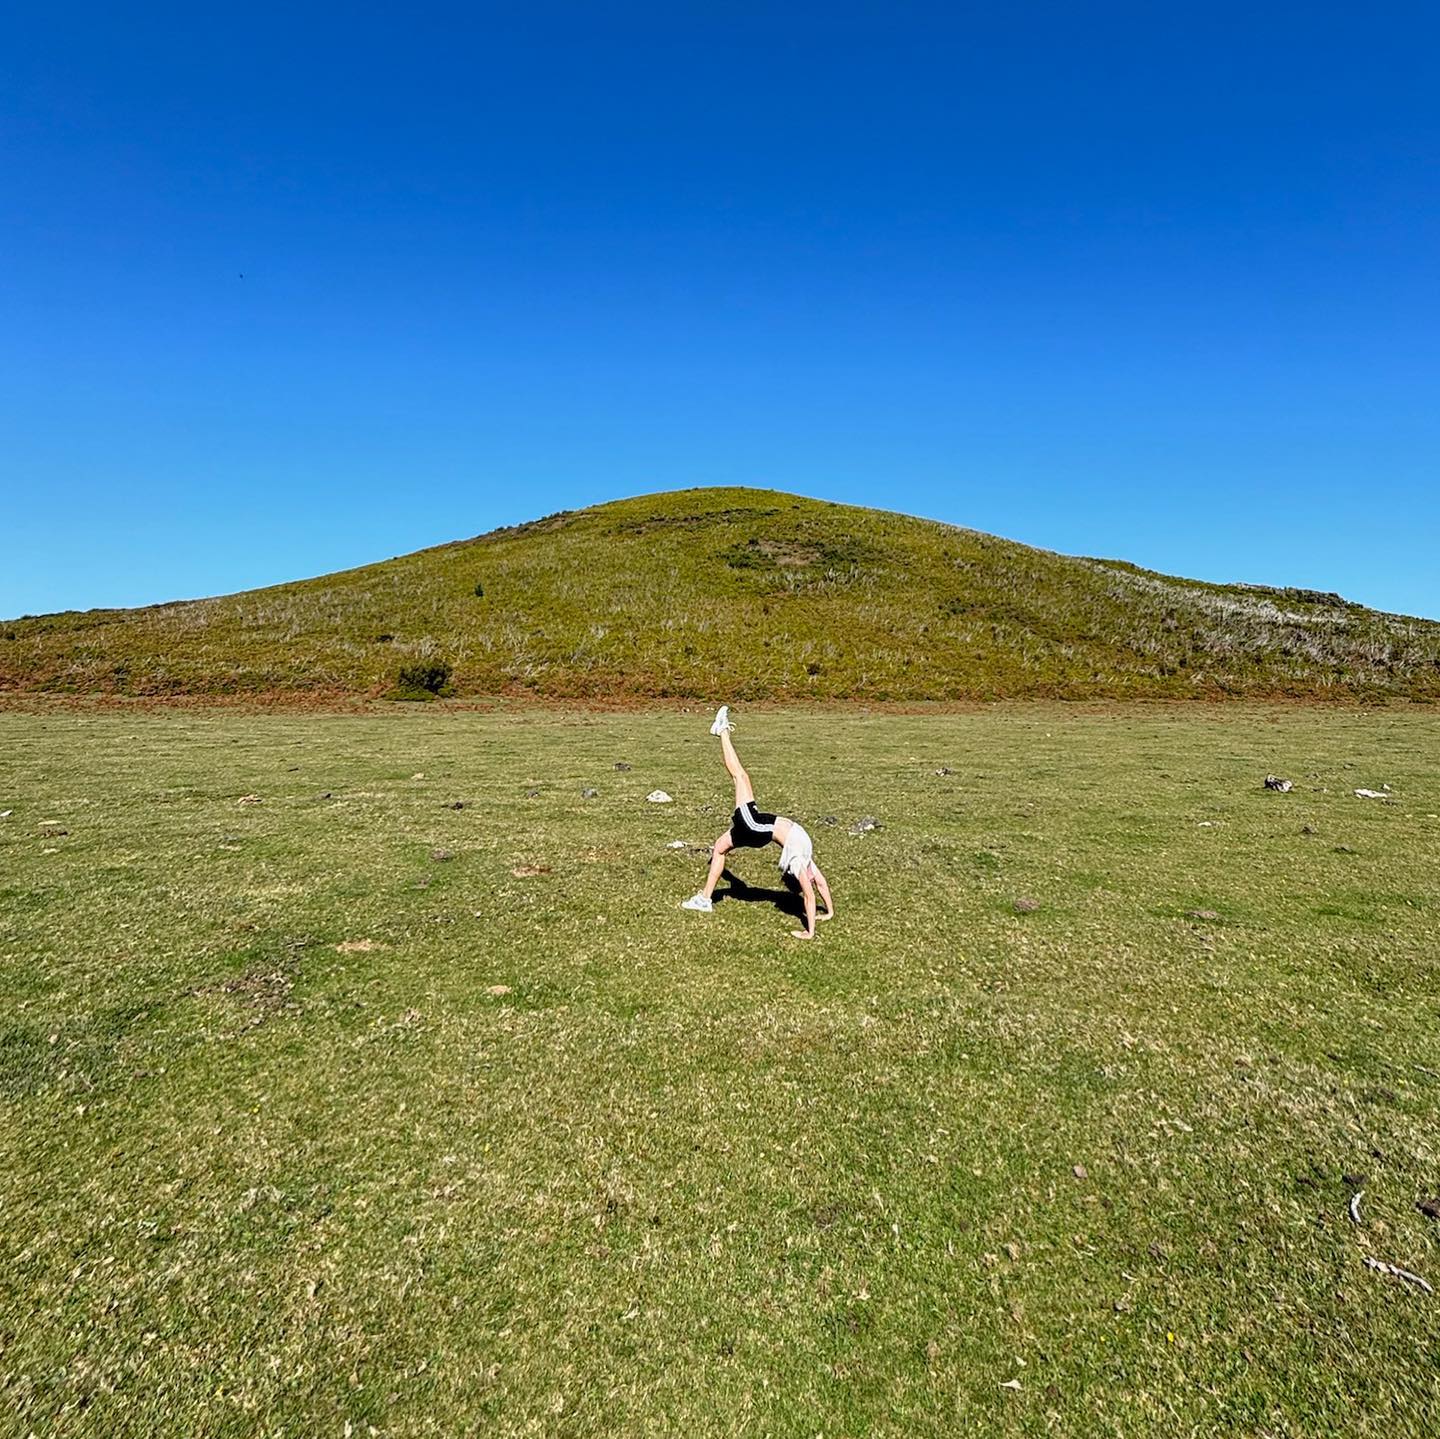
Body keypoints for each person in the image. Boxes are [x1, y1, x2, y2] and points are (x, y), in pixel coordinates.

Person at [681, 706, 834, 939]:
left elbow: (809, 895)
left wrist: (810, 932)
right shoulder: (807, 856)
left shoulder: (797, 864)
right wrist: (830, 912)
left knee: (740, 776)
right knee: (720, 847)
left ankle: (721, 731)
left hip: (756, 826)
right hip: (760, 826)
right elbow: (820, 884)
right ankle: (704, 899)